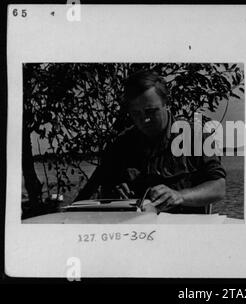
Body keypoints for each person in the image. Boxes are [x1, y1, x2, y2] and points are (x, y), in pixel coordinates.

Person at [75, 70, 226, 213]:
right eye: (136, 113)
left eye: (151, 111)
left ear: (166, 103)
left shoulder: (196, 136)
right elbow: (97, 193)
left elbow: (218, 187)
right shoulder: (121, 145)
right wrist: (114, 195)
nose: (144, 120)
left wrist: (179, 196)